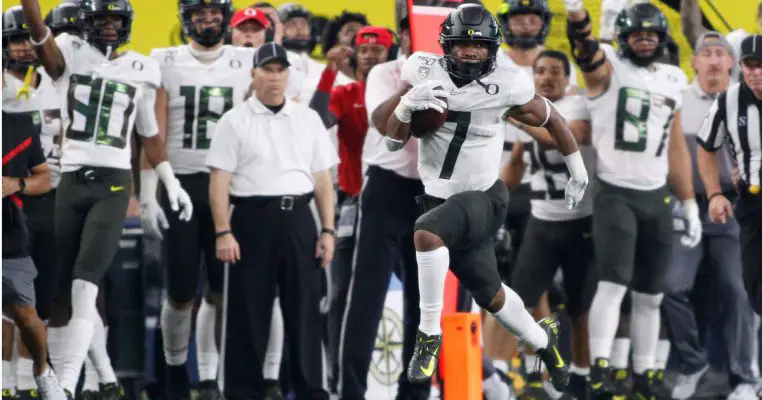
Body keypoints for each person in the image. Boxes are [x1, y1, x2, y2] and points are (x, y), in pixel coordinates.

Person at [381, 3, 587, 390]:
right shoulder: (422, 69)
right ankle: (545, 342)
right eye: (463, 44)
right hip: (439, 199)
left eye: (479, 46)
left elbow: (553, 119)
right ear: (447, 45)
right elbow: (392, 143)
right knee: (492, 296)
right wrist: (407, 106)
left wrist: (578, 172)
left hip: (484, 198)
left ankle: (429, 336)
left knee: (426, 233)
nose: (471, 52)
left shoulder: (508, 82)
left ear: (493, 49)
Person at [18, 0, 194, 397]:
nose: (110, 26)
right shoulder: (70, 51)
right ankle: (73, 381)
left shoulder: (143, 67)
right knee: (60, 289)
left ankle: (67, 384)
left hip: (113, 183)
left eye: (116, 19)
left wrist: (170, 182)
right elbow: (39, 35)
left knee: (86, 282)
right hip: (71, 180)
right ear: (86, 22)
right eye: (102, 19)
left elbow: (149, 134)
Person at [562, 0, 699, 397]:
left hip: (656, 195)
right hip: (615, 192)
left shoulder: (673, 77)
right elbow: (585, 49)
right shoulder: (608, 69)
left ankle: (644, 373)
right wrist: (575, 13)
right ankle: (600, 367)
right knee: (613, 284)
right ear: (623, 38)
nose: (644, 41)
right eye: (636, 35)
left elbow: (675, 145)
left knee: (651, 295)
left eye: (651, 35)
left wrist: (689, 200)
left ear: (662, 39)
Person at [207, 43, 337, 400]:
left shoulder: (308, 119)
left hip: (299, 218)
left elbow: (323, 179)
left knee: (305, 312)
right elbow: (218, 181)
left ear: (289, 75)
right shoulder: (234, 120)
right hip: (250, 219)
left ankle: (312, 392)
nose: (275, 77)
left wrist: (327, 230)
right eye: (268, 69)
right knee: (247, 314)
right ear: (254, 74)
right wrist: (223, 231)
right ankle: (242, 393)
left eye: (281, 70)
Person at [139, 1, 236, 399]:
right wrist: (148, 194)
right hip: (179, 183)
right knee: (180, 291)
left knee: (222, 289)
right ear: (186, 18)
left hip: (230, 185)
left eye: (214, 13)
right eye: (200, 13)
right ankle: (176, 374)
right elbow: (151, 129)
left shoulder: (247, 60)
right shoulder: (163, 59)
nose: (207, 20)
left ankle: (215, 378)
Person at [661, 32, 759, 400]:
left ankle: (746, 377)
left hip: (735, 207)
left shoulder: (744, 98)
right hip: (685, 204)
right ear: (694, 62)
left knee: (739, 289)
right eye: (707, 54)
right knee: (670, 286)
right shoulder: (677, 100)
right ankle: (692, 362)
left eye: (721, 54)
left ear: (731, 63)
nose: (715, 60)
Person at [502, 50, 595, 400]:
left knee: (580, 308)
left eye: (555, 71)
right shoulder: (530, 111)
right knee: (523, 301)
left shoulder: (577, 105)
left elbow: (563, 136)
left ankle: (582, 380)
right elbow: (517, 161)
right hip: (541, 221)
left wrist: (520, 121)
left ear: (568, 78)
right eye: (540, 71)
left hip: (580, 222)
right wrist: (492, 199)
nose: (546, 77)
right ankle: (533, 375)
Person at [3, 68, 66, 399]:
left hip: (9, 230)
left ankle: (39, 376)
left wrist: (16, 183)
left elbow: (43, 178)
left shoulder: (19, 126)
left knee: (27, 313)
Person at [697, 34, 762, 327]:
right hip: (752, 204)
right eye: (750, 65)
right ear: (741, 66)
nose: (756, 72)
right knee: (755, 290)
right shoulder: (729, 100)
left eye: (761, 65)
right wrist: (714, 194)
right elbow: (706, 146)